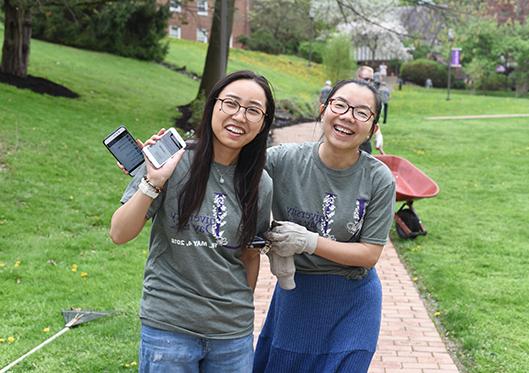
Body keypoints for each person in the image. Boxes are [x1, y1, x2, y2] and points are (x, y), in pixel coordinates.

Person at [109, 70, 276, 373]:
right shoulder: (171, 161)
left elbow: (250, 255)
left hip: (231, 336)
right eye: (231, 103)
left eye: (253, 110)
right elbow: (119, 233)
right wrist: (153, 181)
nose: (240, 116)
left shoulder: (260, 183)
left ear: (263, 122)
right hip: (169, 328)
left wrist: (237, 310)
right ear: (213, 106)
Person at [253, 79, 396, 372]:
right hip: (297, 296)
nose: (347, 116)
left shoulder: (378, 178)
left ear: (373, 129)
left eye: (362, 112)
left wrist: (309, 241)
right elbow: (229, 167)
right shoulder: (284, 161)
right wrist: (175, 160)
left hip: (353, 300)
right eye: (340, 105)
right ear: (323, 110)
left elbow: (369, 254)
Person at [356, 65, 384, 153]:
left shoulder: (372, 98)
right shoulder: (349, 95)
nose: (369, 82)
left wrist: (378, 135)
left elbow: (373, 120)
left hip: (364, 145)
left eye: (371, 80)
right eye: (366, 79)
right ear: (358, 78)